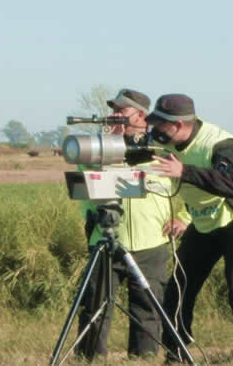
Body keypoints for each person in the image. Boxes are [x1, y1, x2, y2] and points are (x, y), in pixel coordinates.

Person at [149, 94, 233, 364]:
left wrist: (184, 170)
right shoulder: (169, 143)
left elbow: (232, 184)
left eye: (160, 125)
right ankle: (177, 351)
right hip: (207, 220)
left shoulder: (221, 144)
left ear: (179, 125)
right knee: (180, 283)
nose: (156, 131)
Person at [76, 88, 185, 360]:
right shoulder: (99, 146)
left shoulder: (161, 147)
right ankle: (89, 359)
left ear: (141, 115)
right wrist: (106, 145)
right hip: (106, 238)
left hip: (152, 240)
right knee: (95, 305)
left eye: (121, 110)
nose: (115, 115)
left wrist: (184, 217)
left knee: (148, 307)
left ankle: (143, 359)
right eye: (113, 109)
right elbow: (85, 184)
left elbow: (188, 185)